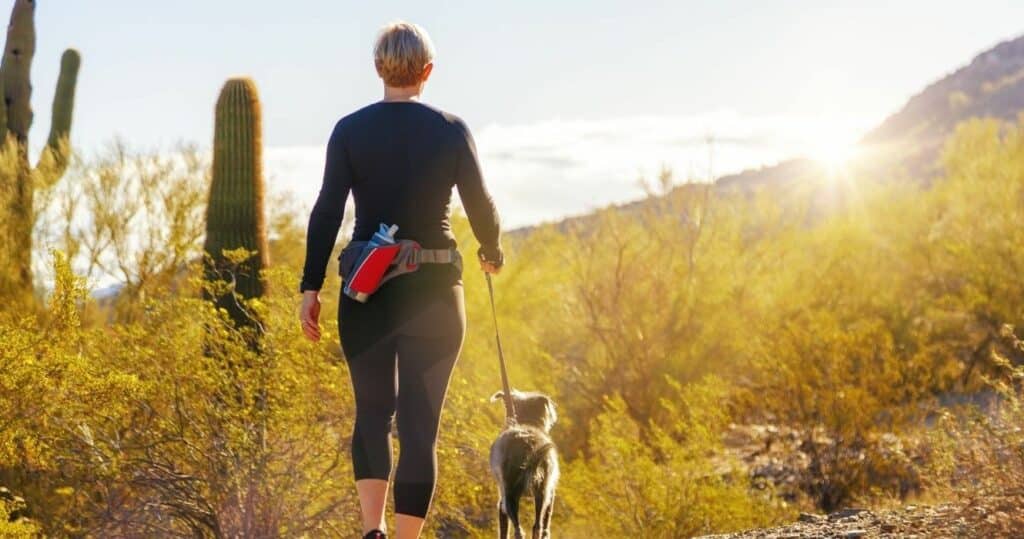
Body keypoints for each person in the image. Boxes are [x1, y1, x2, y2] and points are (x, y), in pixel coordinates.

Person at [298, 21, 503, 539]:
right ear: (428, 71)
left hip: (366, 291)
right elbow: (481, 205)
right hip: (435, 292)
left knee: (371, 414)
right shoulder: (451, 129)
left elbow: (326, 212)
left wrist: (310, 287)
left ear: (377, 68)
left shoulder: (349, 130)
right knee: (419, 429)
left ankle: (373, 530)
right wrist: (491, 251)